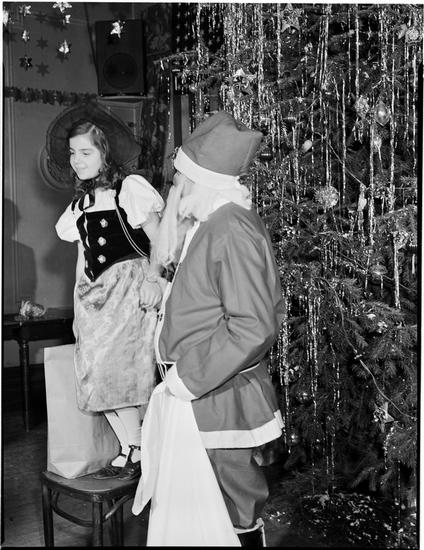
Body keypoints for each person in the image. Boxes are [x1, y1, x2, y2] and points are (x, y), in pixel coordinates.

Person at [144, 111, 284, 545]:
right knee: (203, 510)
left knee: (232, 507)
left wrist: (187, 378)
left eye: (180, 179)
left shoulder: (230, 228)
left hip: (218, 397)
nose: (174, 188)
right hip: (203, 395)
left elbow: (252, 325)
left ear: (200, 180)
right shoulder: (212, 222)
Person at [50, 102, 164, 480]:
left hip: (130, 293)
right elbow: (82, 256)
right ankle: (132, 447)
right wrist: (80, 308)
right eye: (73, 153)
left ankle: (139, 449)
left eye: (86, 152)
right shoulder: (80, 204)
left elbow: (160, 240)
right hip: (95, 299)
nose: (77, 160)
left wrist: (154, 280)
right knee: (97, 379)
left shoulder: (129, 189)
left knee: (124, 378)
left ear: (105, 153)